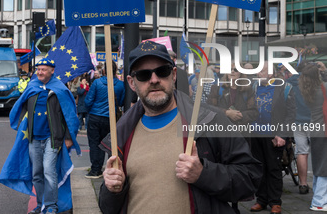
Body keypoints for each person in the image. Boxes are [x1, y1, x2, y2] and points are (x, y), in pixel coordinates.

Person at [98, 41, 262, 214]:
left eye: (162, 71)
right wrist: (112, 190)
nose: (154, 80)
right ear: (132, 83)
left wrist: (203, 174)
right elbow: (108, 208)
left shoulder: (209, 120)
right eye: (144, 75)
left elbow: (250, 177)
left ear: (173, 74)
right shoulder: (122, 134)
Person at [9, 58, 80, 214]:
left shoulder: (59, 89)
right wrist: (21, 123)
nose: (39, 72)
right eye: (38, 69)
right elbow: (22, 106)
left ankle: (51, 206)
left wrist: (69, 136)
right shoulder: (32, 86)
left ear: (52, 71)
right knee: (37, 174)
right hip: (34, 137)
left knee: (49, 170)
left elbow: (69, 114)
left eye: (43, 69)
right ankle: (40, 205)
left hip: (52, 138)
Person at [208, 63, 258, 214]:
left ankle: (235, 205)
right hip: (221, 135)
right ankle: (220, 203)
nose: (232, 72)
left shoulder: (247, 89)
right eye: (230, 69)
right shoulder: (218, 87)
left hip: (241, 135)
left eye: (236, 70)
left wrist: (241, 116)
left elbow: (254, 112)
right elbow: (209, 108)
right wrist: (226, 113)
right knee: (220, 169)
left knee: (238, 171)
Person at [250, 62, 296, 214]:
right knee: (259, 168)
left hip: (274, 135)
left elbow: (290, 114)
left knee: (274, 169)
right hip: (256, 134)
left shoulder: (284, 87)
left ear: (271, 73)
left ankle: (275, 202)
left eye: (261, 71)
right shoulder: (254, 87)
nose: (258, 74)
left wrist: (282, 134)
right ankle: (261, 200)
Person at [84, 60, 125, 179]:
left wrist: (90, 111)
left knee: (94, 144)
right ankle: (111, 169)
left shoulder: (97, 83)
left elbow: (88, 101)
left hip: (95, 116)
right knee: (110, 145)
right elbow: (121, 102)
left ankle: (96, 170)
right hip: (111, 119)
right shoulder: (121, 85)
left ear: (104, 70)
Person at [299, 63, 327, 211]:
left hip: (315, 130)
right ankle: (319, 202)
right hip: (324, 131)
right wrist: (325, 71)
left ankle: (319, 197)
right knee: (324, 167)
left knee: (319, 165)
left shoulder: (308, 90)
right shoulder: (322, 90)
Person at [286, 61, 311, 194]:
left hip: (297, 121)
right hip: (315, 121)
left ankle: (303, 183)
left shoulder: (290, 82)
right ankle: (321, 183)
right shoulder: (314, 83)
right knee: (320, 153)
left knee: (302, 152)